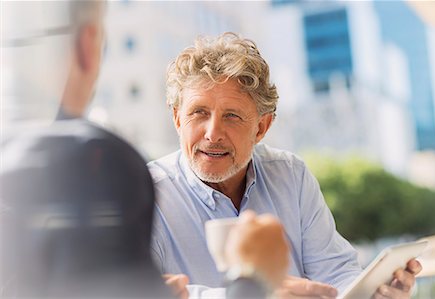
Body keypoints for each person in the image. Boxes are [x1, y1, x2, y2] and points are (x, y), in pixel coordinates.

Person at [0, 2, 290, 298]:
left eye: (232, 116)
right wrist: (252, 277)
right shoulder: (96, 166)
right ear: (87, 46)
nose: (213, 133)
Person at [148, 32, 423, 298]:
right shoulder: (145, 194)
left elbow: (335, 271)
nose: (212, 133)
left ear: (261, 127)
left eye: (231, 116)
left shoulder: (290, 174)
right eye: (199, 112)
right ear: (177, 119)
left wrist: (370, 291)